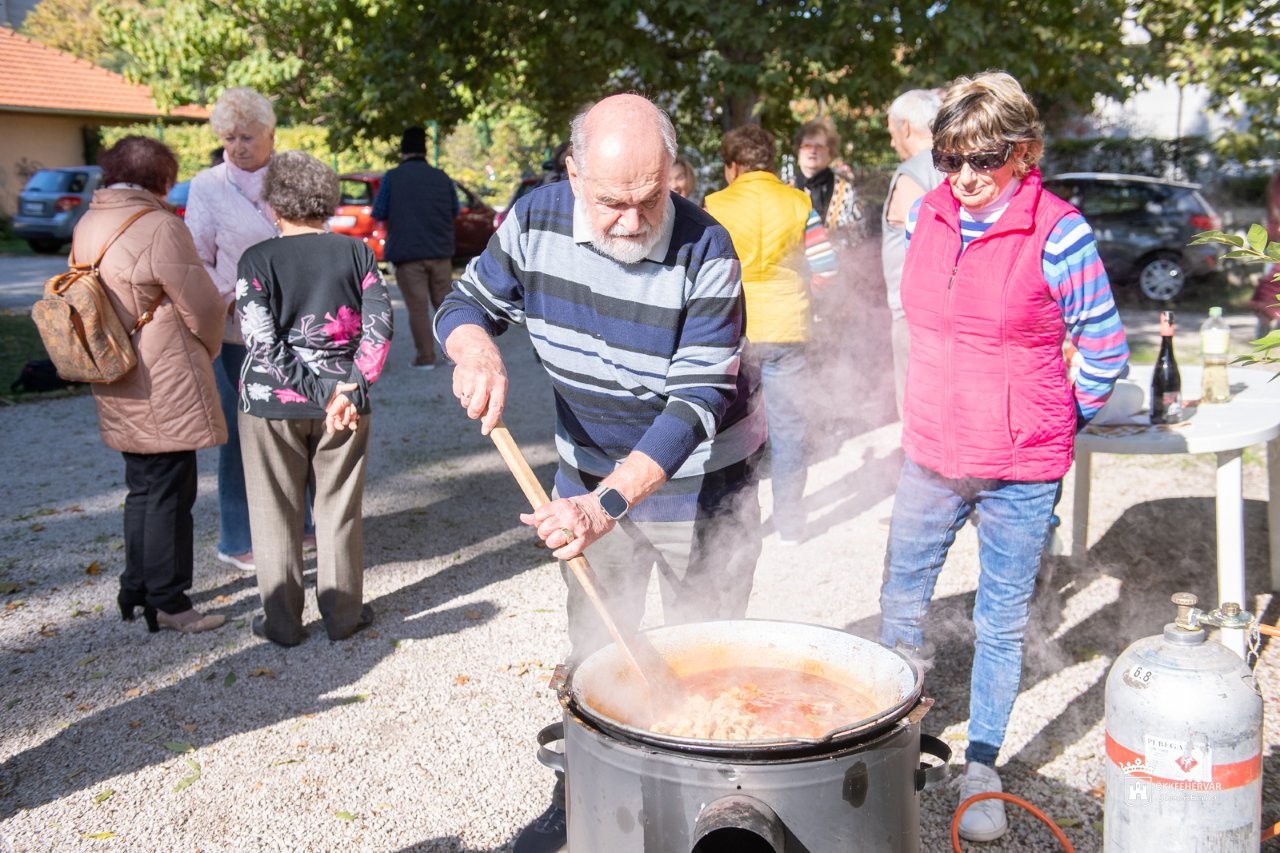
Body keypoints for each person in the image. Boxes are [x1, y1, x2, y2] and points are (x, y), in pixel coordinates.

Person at [434, 93, 766, 853]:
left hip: (704, 478)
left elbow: (697, 400)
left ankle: (704, 812)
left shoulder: (707, 247)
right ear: (573, 172)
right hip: (589, 468)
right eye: (612, 201)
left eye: (651, 197)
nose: (632, 220)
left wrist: (608, 500)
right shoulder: (534, 219)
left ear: (674, 174)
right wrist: (475, 349)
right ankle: (582, 791)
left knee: (701, 654)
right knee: (594, 644)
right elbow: (466, 303)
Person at [878, 71, 1129, 843]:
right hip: (929, 456)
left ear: (1025, 152)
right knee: (899, 605)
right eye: (951, 158)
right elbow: (916, 325)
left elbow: (1105, 349)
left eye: (983, 159)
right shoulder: (930, 214)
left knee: (1000, 621)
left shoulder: (1061, 233)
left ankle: (981, 765)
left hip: (1020, 472)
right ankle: (895, 743)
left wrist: (1049, 420)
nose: (965, 178)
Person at [236, 151, 394, 646]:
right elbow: (380, 330)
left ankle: (281, 623)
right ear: (325, 201)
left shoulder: (256, 259)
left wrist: (318, 390)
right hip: (346, 402)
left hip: (270, 404)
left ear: (273, 203)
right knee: (338, 508)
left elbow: (262, 341)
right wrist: (347, 388)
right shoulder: (358, 253)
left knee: (273, 511)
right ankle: (343, 616)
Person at [75, 136, 229, 634]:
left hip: (114, 367)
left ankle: (136, 587)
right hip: (162, 373)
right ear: (162, 178)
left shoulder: (89, 221)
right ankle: (169, 601)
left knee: (142, 486)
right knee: (170, 487)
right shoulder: (160, 226)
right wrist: (205, 350)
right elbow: (203, 306)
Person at [703, 124, 835, 543]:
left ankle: (731, 524)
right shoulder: (799, 203)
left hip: (731, 331)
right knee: (789, 428)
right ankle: (791, 524)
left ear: (732, 167)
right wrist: (804, 295)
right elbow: (827, 269)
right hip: (788, 330)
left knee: (728, 428)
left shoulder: (714, 206)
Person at [185, 87, 280, 574]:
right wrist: (230, 294)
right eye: (228, 137)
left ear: (269, 134)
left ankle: (299, 522)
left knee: (296, 426)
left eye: (247, 136)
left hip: (293, 325)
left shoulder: (290, 175)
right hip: (235, 330)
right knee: (240, 435)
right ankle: (238, 536)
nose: (238, 146)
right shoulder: (207, 186)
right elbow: (196, 257)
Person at [371, 126, 459, 370]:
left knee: (417, 309)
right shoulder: (441, 177)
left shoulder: (392, 177)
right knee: (445, 305)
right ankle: (454, 356)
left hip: (408, 254)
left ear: (402, 150)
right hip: (441, 252)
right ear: (425, 149)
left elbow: (378, 211)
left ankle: (426, 357)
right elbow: (455, 210)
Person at [881, 88, 943, 417]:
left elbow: (919, 242)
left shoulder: (913, 172)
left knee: (916, 410)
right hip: (945, 311)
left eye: (892, 133)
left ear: (905, 127)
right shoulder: (957, 163)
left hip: (913, 313)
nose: (892, 143)